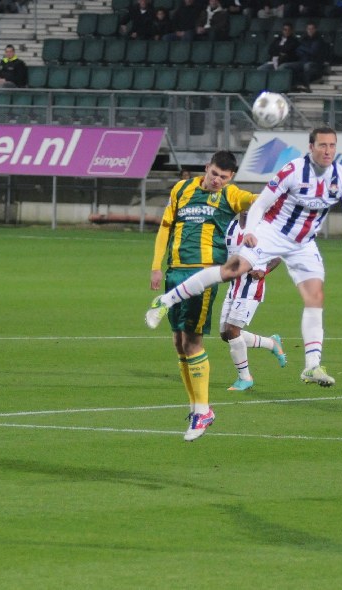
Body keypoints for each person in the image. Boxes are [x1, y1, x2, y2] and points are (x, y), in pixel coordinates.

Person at [146, 126, 342, 388]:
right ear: (311, 147)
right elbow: (261, 203)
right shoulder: (293, 171)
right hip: (272, 232)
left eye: (332, 145)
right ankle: (166, 300)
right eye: (322, 145)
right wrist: (251, 231)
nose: (327, 150)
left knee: (315, 297)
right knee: (231, 271)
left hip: (304, 243)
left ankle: (311, 366)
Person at [149, 150, 256, 441]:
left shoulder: (231, 195)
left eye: (224, 177)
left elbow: (257, 202)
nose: (218, 180)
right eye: (214, 174)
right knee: (178, 342)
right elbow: (165, 227)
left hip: (204, 275)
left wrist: (256, 222)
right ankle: (197, 407)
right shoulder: (181, 189)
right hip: (175, 272)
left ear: (231, 177)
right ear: (206, 168)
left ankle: (202, 410)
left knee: (193, 341)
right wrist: (156, 266)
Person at [219, 211, 287, 391]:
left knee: (233, 331)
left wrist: (264, 270)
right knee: (225, 334)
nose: (249, 209)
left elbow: (278, 254)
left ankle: (245, 377)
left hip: (250, 287)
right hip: (233, 286)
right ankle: (271, 343)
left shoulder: (262, 229)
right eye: (245, 205)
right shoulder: (232, 227)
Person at [283, 21, 329, 92]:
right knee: (285, 66)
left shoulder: (319, 40)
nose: (310, 30)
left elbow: (313, 52)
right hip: (303, 61)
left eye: (312, 29)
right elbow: (298, 51)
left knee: (307, 66)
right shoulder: (304, 39)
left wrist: (303, 49)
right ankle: (290, 87)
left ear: (315, 29)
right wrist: (305, 50)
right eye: (308, 29)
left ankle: (306, 85)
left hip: (315, 62)